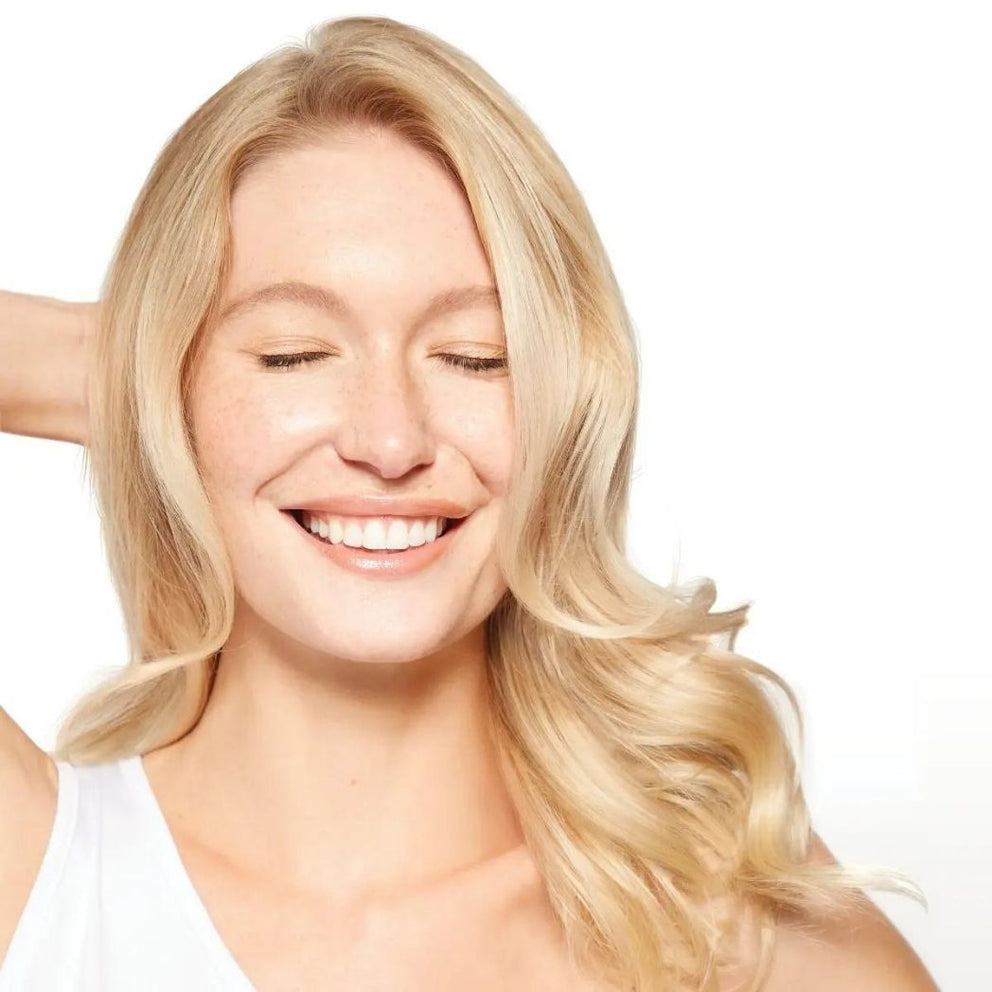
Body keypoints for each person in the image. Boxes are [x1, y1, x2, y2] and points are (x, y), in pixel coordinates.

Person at [0, 15, 938, 992]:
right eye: (292, 353)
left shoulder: (733, 932)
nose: (390, 441)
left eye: (473, 357)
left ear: (561, 403)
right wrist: (135, 374)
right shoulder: (34, 878)